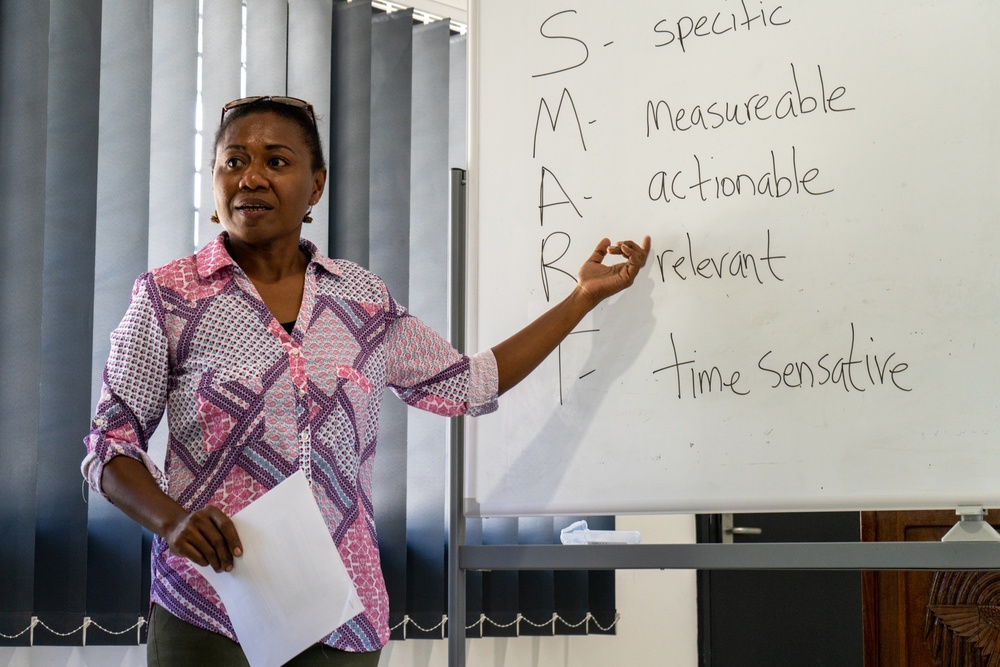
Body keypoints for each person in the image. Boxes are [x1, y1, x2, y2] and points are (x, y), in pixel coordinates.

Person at [82, 95, 650, 666]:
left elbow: (470, 383)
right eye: (233, 161)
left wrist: (582, 298)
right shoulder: (168, 296)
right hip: (209, 610)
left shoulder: (363, 301)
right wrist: (172, 519)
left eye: (276, 161)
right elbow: (109, 445)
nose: (250, 176)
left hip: (341, 618)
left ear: (317, 185)